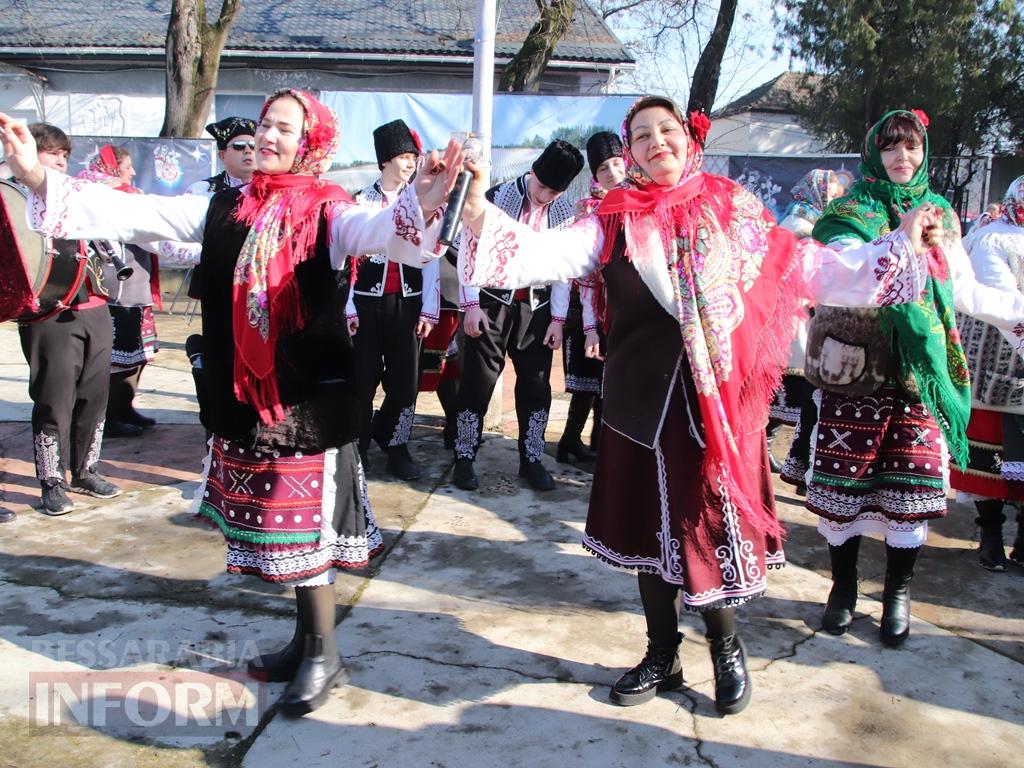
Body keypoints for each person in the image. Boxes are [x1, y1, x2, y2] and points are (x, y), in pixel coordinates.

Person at [456, 95, 949, 715]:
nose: (656, 141)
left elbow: (807, 267)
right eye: (641, 135)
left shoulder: (732, 208)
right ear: (629, 151)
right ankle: (661, 653)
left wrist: (898, 246)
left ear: (688, 140)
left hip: (713, 404)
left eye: (667, 130)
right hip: (639, 405)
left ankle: (725, 649)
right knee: (644, 532)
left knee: (704, 526)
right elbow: (539, 254)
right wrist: (475, 212)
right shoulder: (611, 218)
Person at [0, 91, 462, 715]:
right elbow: (135, 213)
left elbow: (383, 232)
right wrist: (33, 175)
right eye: (265, 124)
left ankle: (325, 655)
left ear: (312, 144)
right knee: (279, 531)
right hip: (245, 400)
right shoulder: (225, 205)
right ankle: (305, 642)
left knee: (308, 534)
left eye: (285, 128)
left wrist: (423, 202)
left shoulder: (330, 211)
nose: (269, 136)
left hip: (306, 404)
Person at [804, 110, 1024, 647]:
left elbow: (966, 294)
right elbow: (843, 279)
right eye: (891, 148)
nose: (903, 158)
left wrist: (1018, 313)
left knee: (912, 487)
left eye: (912, 148)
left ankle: (898, 594)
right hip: (859, 369)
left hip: (921, 374)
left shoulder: (942, 213)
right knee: (845, 489)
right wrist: (900, 242)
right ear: (873, 153)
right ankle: (844, 589)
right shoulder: (847, 213)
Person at [3, 124, 121, 515]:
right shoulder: (13, 200)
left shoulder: (75, 197)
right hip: (49, 314)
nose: (60, 161)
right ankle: (51, 481)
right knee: (54, 402)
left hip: (95, 307)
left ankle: (86, 470)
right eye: (52, 152)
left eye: (64, 155)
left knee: (95, 398)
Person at [452, 139, 583, 491]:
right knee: (478, 382)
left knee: (537, 386)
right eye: (542, 186)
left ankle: (532, 459)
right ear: (533, 172)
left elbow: (564, 268)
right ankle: (464, 456)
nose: (545, 196)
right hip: (492, 303)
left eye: (554, 192)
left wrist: (557, 319)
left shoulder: (564, 212)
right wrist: (471, 305)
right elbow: (468, 247)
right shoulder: (495, 197)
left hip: (536, 309)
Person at [346, 119, 439, 481]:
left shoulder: (421, 204)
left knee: (405, 383)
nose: (410, 163)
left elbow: (431, 256)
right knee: (362, 380)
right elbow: (345, 260)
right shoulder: (360, 202)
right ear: (384, 161)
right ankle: (360, 447)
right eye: (402, 157)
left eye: (413, 157)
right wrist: (347, 306)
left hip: (407, 304)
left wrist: (429, 307)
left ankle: (397, 444)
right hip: (365, 305)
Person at [949, 175, 1024, 570]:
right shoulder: (994, 238)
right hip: (997, 367)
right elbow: (1001, 298)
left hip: (1012, 366)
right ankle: (991, 537)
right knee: (990, 461)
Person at [79, 145, 161, 437]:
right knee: (116, 360)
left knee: (137, 355)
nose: (133, 172)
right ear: (113, 168)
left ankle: (125, 408)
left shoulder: (111, 194)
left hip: (134, 289)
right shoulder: (110, 197)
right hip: (118, 290)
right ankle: (110, 418)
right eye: (127, 166)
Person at [773, 169, 848, 484]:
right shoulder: (802, 227)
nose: (836, 197)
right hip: (795, 324)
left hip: (805, 322)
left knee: (806, 401)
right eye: (831, 191)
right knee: (801, 398)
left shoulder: (811, 223)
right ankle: (792, 462)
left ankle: (801, 464)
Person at [555, 131, 624, 463]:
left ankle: (598, 444)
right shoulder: (590, 211)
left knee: (609, 386)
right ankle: (571, 440)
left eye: (616, 164)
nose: (613, 173)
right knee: (587, 383)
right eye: (604, 170)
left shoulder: (635, 203)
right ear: (595, 176)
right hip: (588, 309)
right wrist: (590, 326)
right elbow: (585, 277)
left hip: (619, 310)